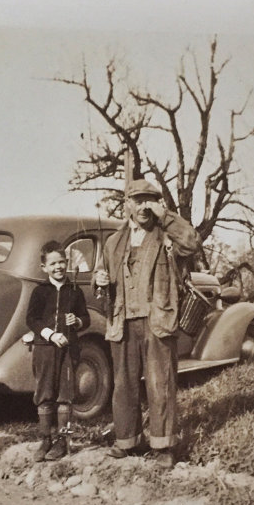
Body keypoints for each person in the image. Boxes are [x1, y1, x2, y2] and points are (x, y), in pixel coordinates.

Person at [93, 179, 202, 468]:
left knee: (160, 384)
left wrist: (166, 216)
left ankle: (162, 445)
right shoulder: (114, 242)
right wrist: (99, 281)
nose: (143, 206)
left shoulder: (166, 235)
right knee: (123, 384)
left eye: (149, 200)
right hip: (122, 321)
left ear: (157, 204)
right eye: (137, 200)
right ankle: (127, 440)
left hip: (158, 320)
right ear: (127, 204)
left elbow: (192, 243)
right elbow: (100, 277)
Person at [26, 240, 90, 461]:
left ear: (67, 263)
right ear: (44, 267)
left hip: (68, 350)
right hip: (45, 349)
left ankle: (62, 441)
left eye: (62, 262)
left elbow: (86, 318)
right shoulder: (39, 292)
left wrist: (78, 322)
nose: (58, 267)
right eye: (53, 264)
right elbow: (31, 319)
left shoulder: (75, 291)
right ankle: (45, 439)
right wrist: (50, 335)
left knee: (65, 394)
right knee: (44, 393)